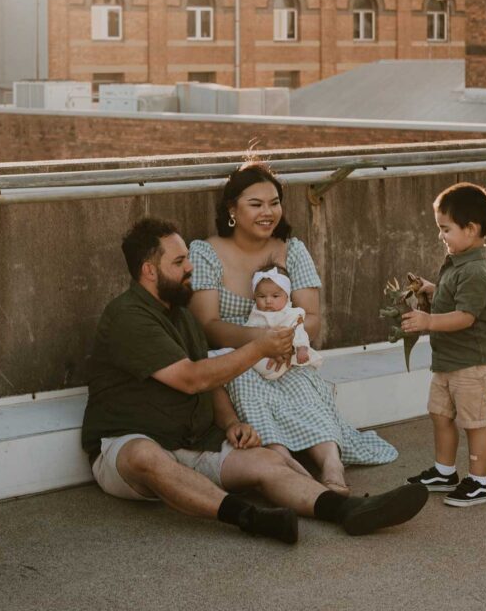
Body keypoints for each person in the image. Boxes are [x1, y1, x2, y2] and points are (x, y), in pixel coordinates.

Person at [81, 216, 428, 544]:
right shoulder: (128, 316)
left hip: (192, 442)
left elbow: (209, 378)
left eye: (188, 258)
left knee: (267, 461)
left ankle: (347, 510)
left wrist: (232, 423)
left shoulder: (181, 314)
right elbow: (191, 379)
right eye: (179, 261)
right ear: (149, 270)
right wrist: (259, 347)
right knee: (145, 456)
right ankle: (251, 518)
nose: (190, 268)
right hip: (128, 445)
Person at [189, 161, 398, 495]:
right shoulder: (205, 252)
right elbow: (206, 324)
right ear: (232, 209)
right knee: (245, 383)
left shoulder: (293, 250)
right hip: (236, 356)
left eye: (274, 203)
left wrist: (287, 342)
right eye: (255, 204)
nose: (267, 212)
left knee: (303, 383)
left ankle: (332, 465)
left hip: (288, 352)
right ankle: (286, 463)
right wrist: (261, 342)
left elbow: (312, 317)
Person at [402, 182, 486, 507]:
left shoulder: (476, 271)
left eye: (445, 229)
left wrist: (428, 321)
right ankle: (445, 472)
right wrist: (431, 289)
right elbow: (453, 297)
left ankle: (479, 482)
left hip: (474, 364)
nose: (441, 235)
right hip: (449, 361)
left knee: (474, 424)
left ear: (471, 229)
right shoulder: (458, 262)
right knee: (440, 415)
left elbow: (465, 316)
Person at [247, 265, 322, 380]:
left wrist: (301, 348)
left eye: (275, 296)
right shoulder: (257, 313)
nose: (268, 301)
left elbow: (299, 332)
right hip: (260, 353)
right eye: (261, 296)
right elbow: (249, 330)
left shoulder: (290, 314)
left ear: (286, 296)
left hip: (284, 358)